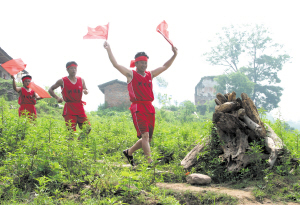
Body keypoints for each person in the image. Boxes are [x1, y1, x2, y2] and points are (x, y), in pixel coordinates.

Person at [103, 41, 178, 166]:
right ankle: (150, 162)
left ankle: (129, 152)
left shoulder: (151, 74)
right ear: (136, 63)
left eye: (145, 63)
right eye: (142, 62)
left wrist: (174, 55)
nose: (144, 65)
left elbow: (165, 66)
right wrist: (108, 49)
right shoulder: (130, 74)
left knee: (148, 138)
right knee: (144, 135)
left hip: (149, 107)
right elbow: (116, 64)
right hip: (138, 107)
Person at [48, 61, 91, 134]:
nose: (74, 70)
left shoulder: (81, 80)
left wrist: (85, 91)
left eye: (75, 68)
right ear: (67, 70)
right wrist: (57, 97)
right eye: (71, 68)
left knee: (87, 128)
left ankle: (79, 143)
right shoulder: (62, 81)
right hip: (69, 108)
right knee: (71, 131)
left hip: (79, 107)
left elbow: (85, 88)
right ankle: (71, 145)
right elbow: (50, 89)